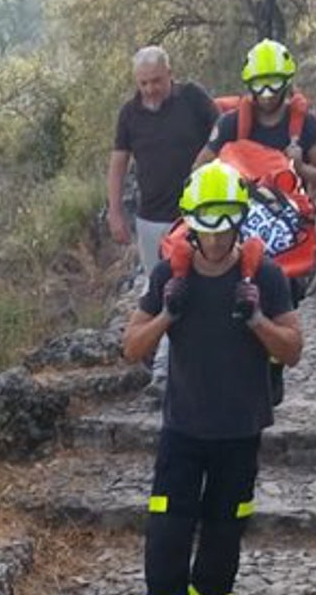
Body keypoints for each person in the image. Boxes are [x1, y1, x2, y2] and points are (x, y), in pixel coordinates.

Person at [122, 160, 303, 595]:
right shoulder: (170, 275)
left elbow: (293, 351)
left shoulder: (266, 276)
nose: (218, 236)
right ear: (191, 224)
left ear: (240, 218)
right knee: (165, 546)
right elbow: (131, 347)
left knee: (220, 551)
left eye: (227, 224)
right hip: (183, 431)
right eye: (208, 225)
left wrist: (257, 319)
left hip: (239, 433)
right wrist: (167, 313)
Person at [108, 46, 220, 400]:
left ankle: (174, 371)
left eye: (156, 81)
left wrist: (208, 158)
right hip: (151, 219)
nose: (150, 90)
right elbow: (118, 163)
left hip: (197, 217)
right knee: (160, 290)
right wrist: (114, 210)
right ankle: (160, 365)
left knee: (194, 287)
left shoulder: (194, 98)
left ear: (170, 73)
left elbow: (225, 132)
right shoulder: (129, 114)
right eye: (143, 84)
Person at [194, 39, 316, 192]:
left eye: (274, 83)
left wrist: (301, 168)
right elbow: (199, 169)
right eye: (259, 84)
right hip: (241, 210)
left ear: (286, 83)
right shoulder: (230, 124)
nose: (267, 94)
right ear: (249, 85)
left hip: (291, 209)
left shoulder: (306, 124)